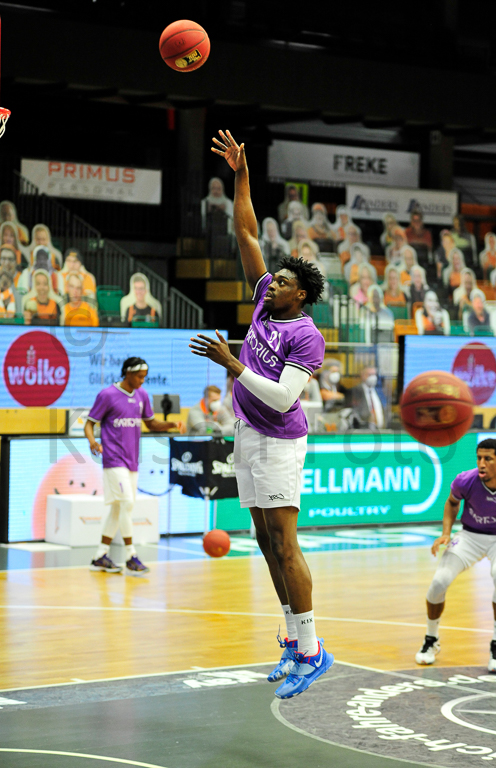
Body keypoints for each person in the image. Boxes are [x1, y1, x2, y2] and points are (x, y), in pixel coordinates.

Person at [192, 129, 333, 699]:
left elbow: (282, 398)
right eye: (272, 278)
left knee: (286, 541)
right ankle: (295, 639)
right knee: (263, 541)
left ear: (300, 295)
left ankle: (314, 649)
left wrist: (232, 363)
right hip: (247, 433)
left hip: (279, 437)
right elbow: (246, 229)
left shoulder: (308, 336)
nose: (272, 282)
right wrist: (241, 173)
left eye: (283, 282)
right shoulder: (263, 302)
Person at [416, 438, 496, 673]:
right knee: (439, 581)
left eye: (487, 459)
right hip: (471, 535)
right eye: (479, 458)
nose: (481, 464)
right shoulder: (465, 480)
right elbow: (451, 503)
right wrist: (446, 533)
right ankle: (431, 639)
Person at [85, 357, 184, 575]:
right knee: (127, 503)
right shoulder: (107, 395)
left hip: (132, 460)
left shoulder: (142, 395)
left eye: (145, 376)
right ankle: (131, 555)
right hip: (113, 459)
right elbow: (89, 423)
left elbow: (151, 423)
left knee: (118, 508)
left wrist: (171, 424)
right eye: (140, 376)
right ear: (127, 373)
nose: (143, 380)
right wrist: (93, 441)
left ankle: (100, 555)